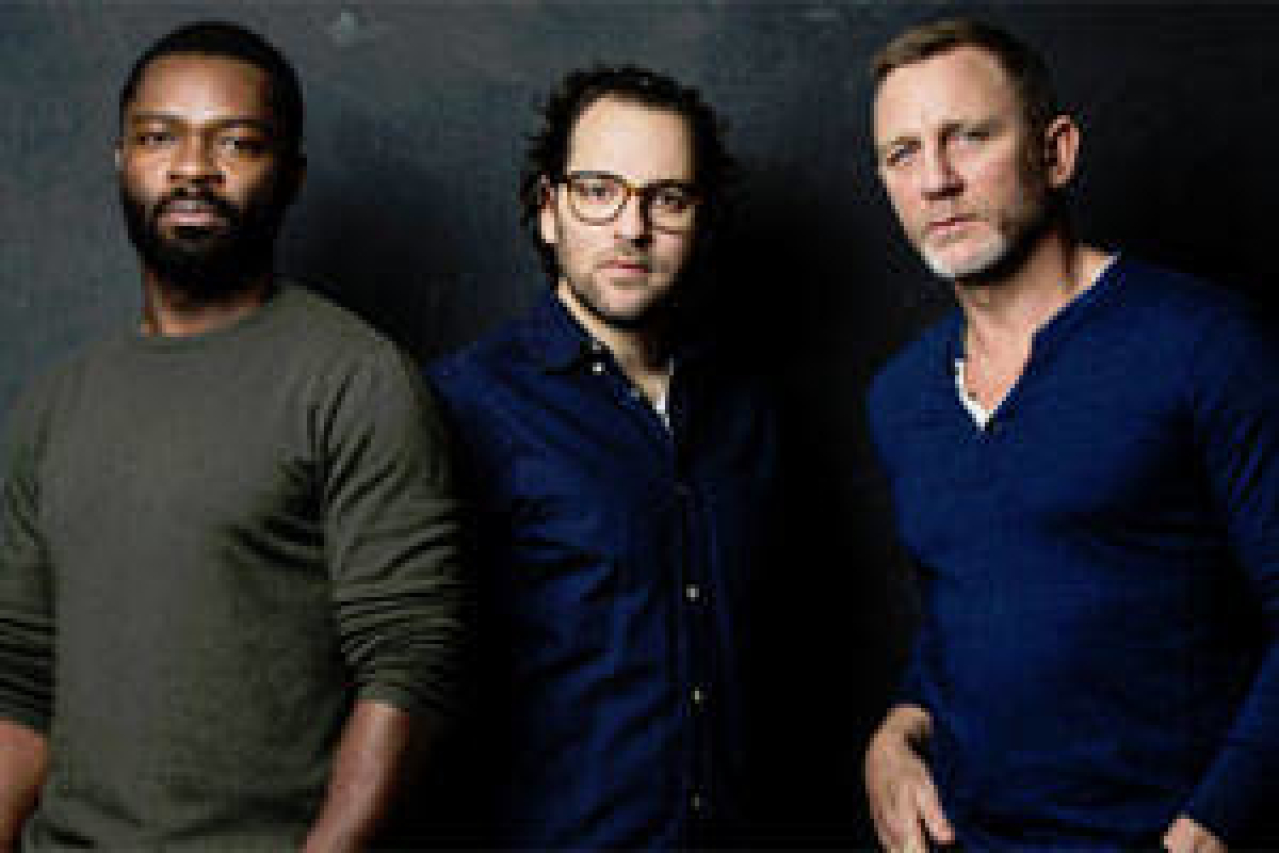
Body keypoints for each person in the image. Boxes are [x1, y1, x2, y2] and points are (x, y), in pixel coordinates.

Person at [0, 21, 462, 851]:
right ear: (121, 159)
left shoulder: (356, 380)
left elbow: (409, 663)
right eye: (159, 137)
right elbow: (21, 682)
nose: (192, 168)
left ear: (289, 174)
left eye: (236, 142)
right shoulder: (53, 405)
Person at [862, 18, 1279, 852]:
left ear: (1054, 152)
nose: (935, 179)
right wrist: (897, 730)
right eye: (902, 153)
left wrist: (1215, 818)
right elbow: (966, 613)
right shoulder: (899, 395)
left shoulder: (1200, 343)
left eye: (968, 136)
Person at [428, 66, 776, 849]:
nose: (631, 227)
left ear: (700, 218)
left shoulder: (745, 411)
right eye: (597, 191)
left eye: (666, 198)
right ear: (548, 209)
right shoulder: (463, 405)